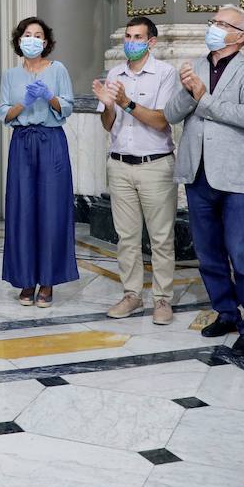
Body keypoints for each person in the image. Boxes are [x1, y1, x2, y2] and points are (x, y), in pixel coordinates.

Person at [164, 4, 244, 356]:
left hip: (236, 175)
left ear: (240, 36)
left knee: (242, 254)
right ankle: (226, 312)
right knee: (208, 254)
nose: (212, 28)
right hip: (198, 172)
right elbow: (171, 113)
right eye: (212, 22)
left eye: (221, 24)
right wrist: (186, 91)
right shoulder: (194, 66)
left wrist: (202, 98)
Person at [93, 16, 179, 325]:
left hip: (154, 166)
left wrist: (126, 102)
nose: (131, 41)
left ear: (151, 42)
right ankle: (132, 295)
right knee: (126, 238)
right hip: (119, 164)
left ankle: (162, 299)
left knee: (160, 237)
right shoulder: (115, 73)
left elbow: (161, 121)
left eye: (137, 37)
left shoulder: (165, 74)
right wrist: (106, 105)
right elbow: (108, 125)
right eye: (128, 36)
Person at [0, 16, 78, 307]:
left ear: (45, 42)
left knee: (51, 211)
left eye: (38, 35)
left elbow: (68, 106)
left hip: (51, 143)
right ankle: (26, 280)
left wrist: (49, 96)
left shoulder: (58, 70)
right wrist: (25, 104)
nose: (32, 39)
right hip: (22, 143)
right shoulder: (10, 75)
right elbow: (4, 113)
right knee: (22, 211)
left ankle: (48, 281)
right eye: (27, 34)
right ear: (20, 41)